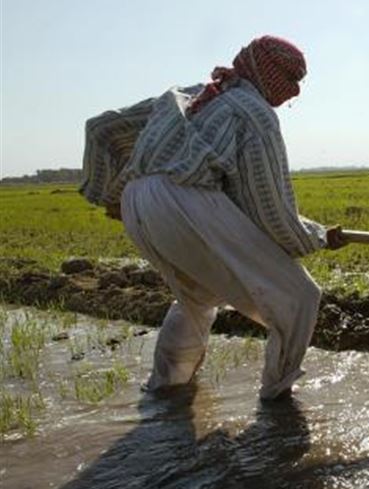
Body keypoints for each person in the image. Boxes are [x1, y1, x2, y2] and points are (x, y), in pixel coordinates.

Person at [80, 35, 344, 400]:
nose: (294, 92)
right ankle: (278, 398)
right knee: (299, 295)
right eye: (289, 80)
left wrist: (114, 196)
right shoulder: (254, 113)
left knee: (197, 296)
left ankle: (166, 388)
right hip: (182, 201)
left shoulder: (187, 94)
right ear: (266, 74)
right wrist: (315, 238)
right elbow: (269, 210)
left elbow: (101, 128)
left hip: (138, 202)